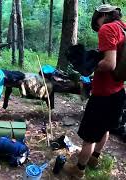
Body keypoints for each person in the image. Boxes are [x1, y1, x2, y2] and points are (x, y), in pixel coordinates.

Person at [63, 4, 126, 179]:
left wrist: (89, 66)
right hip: (119, 91)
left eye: (97, 23)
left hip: (103, 95)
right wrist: (97, 55)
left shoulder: (107, 28)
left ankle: (79, 170)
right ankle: (94, 159)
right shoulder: (123, 27)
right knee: (105, 128)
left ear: (101, 16)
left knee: (89, 136)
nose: (98, 28)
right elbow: (118, 57)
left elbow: (110, 64)